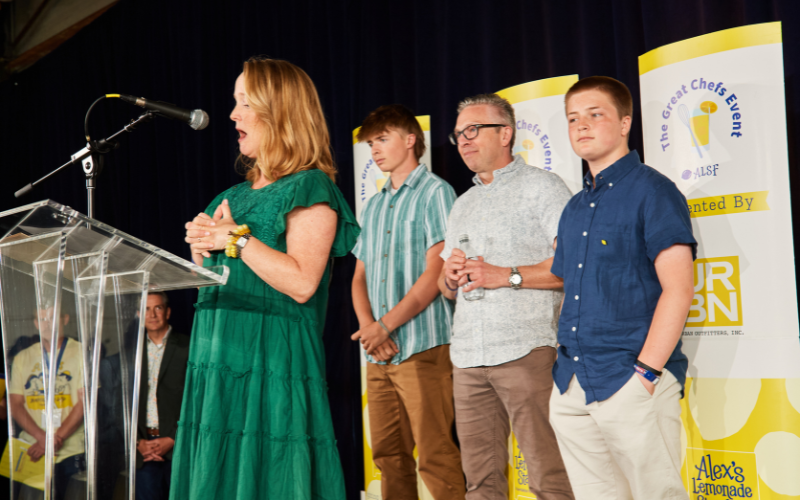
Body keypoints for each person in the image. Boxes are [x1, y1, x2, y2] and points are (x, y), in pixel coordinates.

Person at [176, 57, 359, 500]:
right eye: (235, 102)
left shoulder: (309, 188)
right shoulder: (229, 197)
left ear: (280, 112)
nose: (233, 114)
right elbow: (212, 284)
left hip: (273, 363)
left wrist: (234, 239)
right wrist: (200, 250)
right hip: (218, 364)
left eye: (245, 102)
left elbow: (302, 282)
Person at [549, 76, 696, 500]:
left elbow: (678, 289)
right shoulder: (573, 207)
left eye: (595, 115)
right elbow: (569, 289)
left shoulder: (654, 191)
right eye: (573, 118)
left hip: (630, 379)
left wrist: (646, 373)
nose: (581, 125)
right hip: (572, 383)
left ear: (625, 122)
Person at [438, 93, 574, 500]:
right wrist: (449, 276)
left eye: (474, 129)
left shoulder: (543, 187)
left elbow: (571, 267)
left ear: (506, 134)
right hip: (468, 358)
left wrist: (506, 275)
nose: (464, 140)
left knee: (548, 477)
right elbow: (447, 290)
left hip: (525, 351)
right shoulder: (462, 204)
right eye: (459, 133)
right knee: (480, 485)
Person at [351, 104, 464, 499]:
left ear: (411, 139)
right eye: (370, 143)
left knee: (436, 455)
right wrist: (370, 329)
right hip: (379, 352)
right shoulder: (374, 204)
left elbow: (436, 272)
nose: (374, 150)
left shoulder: (437, 192)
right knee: (388, 456)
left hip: (423, 345)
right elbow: (359, 276)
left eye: (382, 139)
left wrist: (385, 326)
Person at [8, 306, 85, 500]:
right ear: (35, 323)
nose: (47, 324)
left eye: (52, 318)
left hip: (71, 450)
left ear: (65, 319)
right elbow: (15, 403)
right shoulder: (22, 358)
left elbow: (85, 403)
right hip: (32, 449)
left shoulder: (82, 352)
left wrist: (53, 440)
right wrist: (41, 438)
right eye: (42, 319)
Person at [135, 292, 189, 500]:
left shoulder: (188, 347)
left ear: (167, 312)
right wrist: (137, 442)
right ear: (139, 314)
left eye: (157, 308)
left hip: (179, 445)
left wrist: (174, 437)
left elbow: (197, 400)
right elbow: (121, 402)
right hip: (144, 448)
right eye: (146, 309)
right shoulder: (132, 351)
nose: (152, 315)